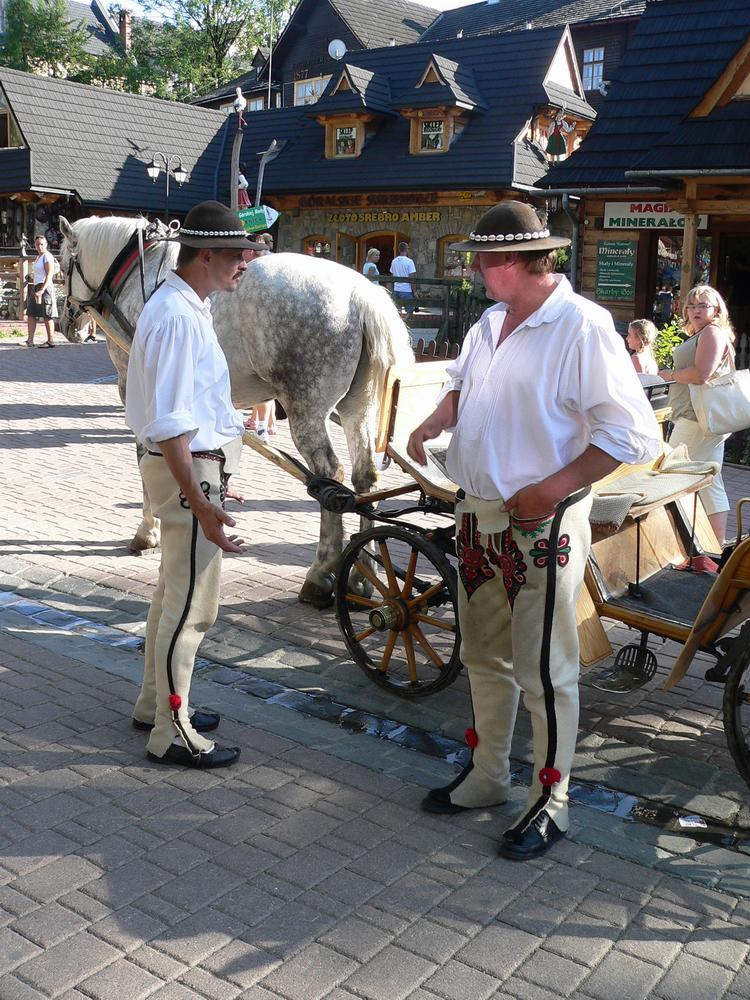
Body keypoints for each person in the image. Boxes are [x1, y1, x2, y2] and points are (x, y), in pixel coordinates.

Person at [407, 201, 661, 860]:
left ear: (520, 262)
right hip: (478, 514)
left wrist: (549, 489)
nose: (478, 271)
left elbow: (627, 432)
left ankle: (553, 799)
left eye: (486, 260)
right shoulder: (491, 322)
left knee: (545, 669)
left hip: (542, 524)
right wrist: (436, 418)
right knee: (483, 657)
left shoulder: (581, 327)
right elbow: (466, 385)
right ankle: (488, 775)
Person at [125, 201, 265, 769]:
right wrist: (204, 500)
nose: (246, 264)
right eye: (237, 255)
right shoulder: (181, 316)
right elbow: (174, 425)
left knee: (170, 594)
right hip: (186, 465)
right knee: (191, 606)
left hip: (185, 464)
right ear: (205, 256)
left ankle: (155, 702)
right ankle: (171, 730)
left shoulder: (179, 303)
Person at [658, 284, 735, 546]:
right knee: (711, 481)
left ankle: (679, 546)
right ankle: (715, 548)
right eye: (692, 305)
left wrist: (667, 375)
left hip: (696, 420)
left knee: (670, 474)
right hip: (703, 420)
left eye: (704, 305)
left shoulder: (712, 333)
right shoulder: (707, 333)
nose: (697, 310)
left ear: (716, 310)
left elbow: (702, 374)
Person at [246, 232, 277, 435]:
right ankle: (265, 423)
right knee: (265, 382)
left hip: (258, 328)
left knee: (262, 381)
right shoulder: (268, 264)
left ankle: (262, 427)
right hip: (266, 327)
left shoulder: (256, 269)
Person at [26, 234, 58, 348]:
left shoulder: (47, 256)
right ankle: (30, 340)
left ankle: (50, 340)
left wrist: (42, 289)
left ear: (46, 245)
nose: (40, 246)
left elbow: (49, 274)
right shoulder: (38, 257)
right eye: (37, 244)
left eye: (42, 244)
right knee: (31, 312)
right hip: (36, 285)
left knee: (47, 314)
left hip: (45, 286)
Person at [390, 241, 416, 314]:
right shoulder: (409, 262)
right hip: (406, 290)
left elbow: (392, 276)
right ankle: (404, 322)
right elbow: (412, 278)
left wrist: (392, 288)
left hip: (396, 288)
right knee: (410, 311)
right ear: (407, 249)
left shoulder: (394, 261)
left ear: (399, 250)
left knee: (397, 310)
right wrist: (414, 291)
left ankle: (400, 321)